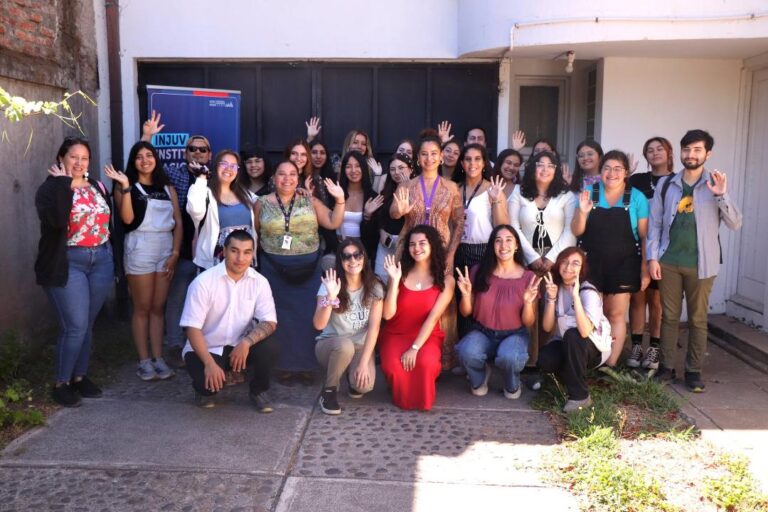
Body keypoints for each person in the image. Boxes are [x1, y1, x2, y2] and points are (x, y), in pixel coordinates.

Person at [648, 129, 742, 391]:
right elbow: (655, 224)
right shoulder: (667, 184)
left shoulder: (714, 184)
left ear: (707, 153)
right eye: (687, 149)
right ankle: (666, 368)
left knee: (698, 319)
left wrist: (722, 194)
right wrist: (652, 258)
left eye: (697, 150)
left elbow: (735, 223)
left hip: (702, 265)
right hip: (669, 261)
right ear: (680, 152)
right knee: (669, 317)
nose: (691, 155)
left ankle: (693, 371)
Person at [35, 137, 114, 407]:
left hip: (101, 260)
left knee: (87, 324)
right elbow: (57, 220)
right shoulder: (49, 190)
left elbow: (107, 222)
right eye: (73, 157)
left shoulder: (96, 186)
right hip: (68, 261)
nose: (79, 163)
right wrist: (62, 184)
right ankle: (61, 383)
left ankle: (79, 377)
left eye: (84, 158)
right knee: (75, 326)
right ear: (61, 158)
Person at [254, 160, 345, 382]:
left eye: (292, 174)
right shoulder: (262, 203)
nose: (287, 179)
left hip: (308, 270)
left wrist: (340, 199)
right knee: (279, 317)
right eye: (282, 174)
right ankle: (282, 366)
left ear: (298, 177)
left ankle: (306, 366)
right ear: (274, 178)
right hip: (274, 270)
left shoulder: (309, 200)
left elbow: (333, 222)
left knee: (307, 317)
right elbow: (255, 232)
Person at [105, 142, 182, 381]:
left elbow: (178, 221)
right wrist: (126, 187)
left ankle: (158, 358)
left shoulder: (168, 187)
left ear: (156, 159)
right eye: (139, 157)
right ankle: (144, 360)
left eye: (149, 155)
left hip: (165, 246)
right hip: (140, 246)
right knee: (142, 307)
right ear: (133, 161)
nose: (145, 160)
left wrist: (175, 253)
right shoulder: (124, 186)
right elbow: (127, 218)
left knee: (158, 307)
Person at [180, 231, 277, 411]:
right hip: (207, 347)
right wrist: (209, 364)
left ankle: (258, 391)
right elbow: (192, 329)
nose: (240, 258)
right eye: (234, 251)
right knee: (208, 388)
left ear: (252, 255)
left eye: (247, 252)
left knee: (270, 345)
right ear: (224, 251)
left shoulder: (260, 282)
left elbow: (270, 322)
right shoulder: (203, 283)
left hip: (240, 347)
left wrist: (246, 343)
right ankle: (202, 388)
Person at [391, 135, 465, 368]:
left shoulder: (452, 188)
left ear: (441, 157)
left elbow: (460, 223)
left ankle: (438, 359)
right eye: (424, 154)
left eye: (434, 153)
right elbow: (394, 213)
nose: (429, 158)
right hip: (410, 250)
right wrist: (399, 210)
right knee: (408, 298)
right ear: (418, 158)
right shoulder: (407, 185)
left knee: (439, 302)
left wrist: (450, 254)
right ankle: (402, 348)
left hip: (442, 251)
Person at [140, 112, 208, 363]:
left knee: (205, 304)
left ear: (209, 155)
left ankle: (202, 348)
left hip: (206, 253)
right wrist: (147, 137)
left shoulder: (214, 178)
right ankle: (173, 345)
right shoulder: (170, 173)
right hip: (177, 250)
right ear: (185, 152)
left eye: (202, 150)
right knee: (177, 298)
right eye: (192, 148)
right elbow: (143, 166)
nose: (197, 153)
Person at [571, 150, 650, 367]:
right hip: (592, 264)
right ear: (601, 170)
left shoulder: (637, 198)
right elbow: (577, 230)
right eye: (607, 168)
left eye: (618, 169)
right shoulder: (589, 192)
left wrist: (644, 268)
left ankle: (610, 365)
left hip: (624, 264)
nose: (612, 173)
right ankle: (592, 359)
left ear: (626, 172)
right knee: (592, 313)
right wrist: (583, 212)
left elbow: (644, 237)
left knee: (615, 314)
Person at [455, 225, 540, 398]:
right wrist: (465, 295)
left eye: (509, 240)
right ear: (492, 246)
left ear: (516, 245)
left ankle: (512, 383)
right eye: (498, 241)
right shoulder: (478, 271)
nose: (503, 245)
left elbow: (529, 322)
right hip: (482, 331)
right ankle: (480, 376)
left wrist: (528, 303)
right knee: (466, 352)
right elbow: (465, 313)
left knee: (510, 359)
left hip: (514, 334)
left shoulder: (528, 277)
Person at [379, 226, 455, 410]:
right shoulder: (400, 273)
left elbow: (433, 317)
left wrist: (414, 348)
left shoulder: (446, 280)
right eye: (412, 244)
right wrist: (395, 281)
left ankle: (422, 393)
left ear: (433, 246)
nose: (417, 248)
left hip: (426, 336)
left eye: (422, 243)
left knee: (426, 364)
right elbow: (388, 314)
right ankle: (399, 391)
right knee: (393, 366)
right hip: (395, 334)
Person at [313, 240, 384, 415]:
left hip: (359, 346)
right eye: (346, 256)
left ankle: (350, 374)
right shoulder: (330, 284)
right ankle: (329, 392)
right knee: (344, 346)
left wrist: (363, 364)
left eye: (357, 255)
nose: (352, 261)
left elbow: (374, 328)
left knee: (363, 386)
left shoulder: (374, 285)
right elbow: (318, 324)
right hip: (331, 345)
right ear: (340, 260)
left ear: (364, 257)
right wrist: (330, 297)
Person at [538, 247, 613, 412]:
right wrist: (551, 298)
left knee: (573, 335)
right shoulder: (555, 288)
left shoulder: (589, 292)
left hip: (593, 349)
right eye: (564, 262)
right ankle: (569, 376)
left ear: (582, 269)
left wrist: (576, 297)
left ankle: (580, 396)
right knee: (545, 359)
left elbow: (585, 331)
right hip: (567, 344)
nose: (568, 267)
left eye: (575, 263)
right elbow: (547, 327)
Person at [626, 137, 675, 370]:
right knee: (637, 296)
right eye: (650, 150)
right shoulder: (637, 180)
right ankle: (636, 345)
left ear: (669, 152)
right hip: (636, 245)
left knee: (656, 301)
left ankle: (654, 347)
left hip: (664, 248)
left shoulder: (676, 181)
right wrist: (626, 175)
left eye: (659, 149)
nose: (655, 153)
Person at [454, 144, 508, 337]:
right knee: (462, 299)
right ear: (462, 163)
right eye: (468, 159)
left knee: (482, 300)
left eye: (477, 159)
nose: (472, 163)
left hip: (483, 250)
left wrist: (496, 201)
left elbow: (503, 226)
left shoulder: (492, 190)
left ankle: (483, 348)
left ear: (484, 162)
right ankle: (465, 349)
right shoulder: (455, 189)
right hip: (459, 250)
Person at [187, 150, 257, 270]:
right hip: (215, 262)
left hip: (244, 261)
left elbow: (267, 203)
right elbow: (195, 211)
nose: (228, 169)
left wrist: (296, 193)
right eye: (224, 164)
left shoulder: (245, 193)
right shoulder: (205, 192)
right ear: (215, 166)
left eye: (233, 166)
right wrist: (202, 177)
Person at [371, 154, 411, 282]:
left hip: (407, 244)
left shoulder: (417, 188)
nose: (396, 172)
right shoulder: (387, 189)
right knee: (381, 280)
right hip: (386, 243)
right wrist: (381, 231)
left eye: (401, 168)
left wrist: (407, 186)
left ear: (410, 169)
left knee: (401, 282)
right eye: (392, 169)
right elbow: (379, 215)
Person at [337, 151, 383, 258]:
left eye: (358, 166)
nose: (353, 170)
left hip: (362, 253)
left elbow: (374, 236)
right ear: (343, 169)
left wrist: (367, 216)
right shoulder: (337, 193)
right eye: (348, 166)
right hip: (338, 249)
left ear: (364, 168)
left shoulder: (373, 196)